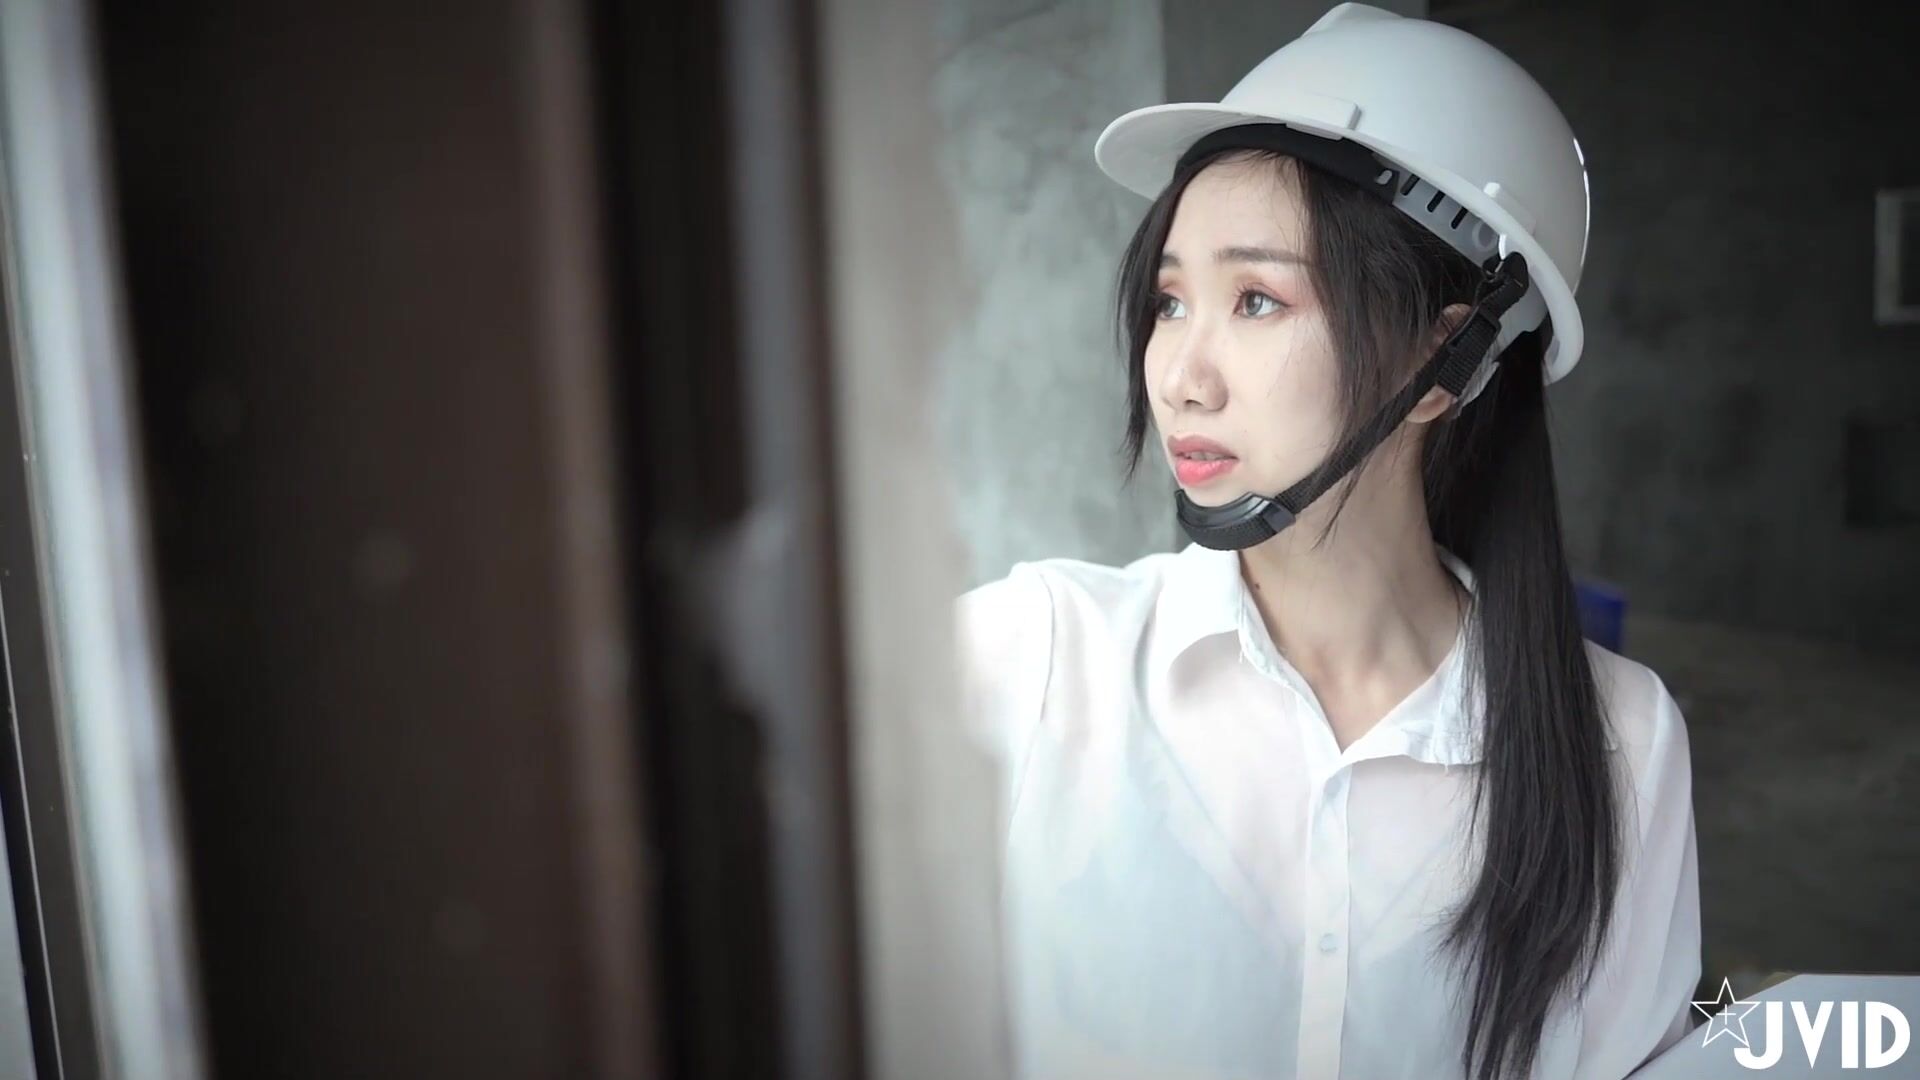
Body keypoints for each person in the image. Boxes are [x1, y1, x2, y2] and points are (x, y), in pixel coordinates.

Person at [953, 5, 1701, 1078]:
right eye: (1170, 301)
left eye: (1256, 300)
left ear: (1445, 361)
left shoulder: (1622, 739)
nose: (1181, 376)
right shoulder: (1032, 657)